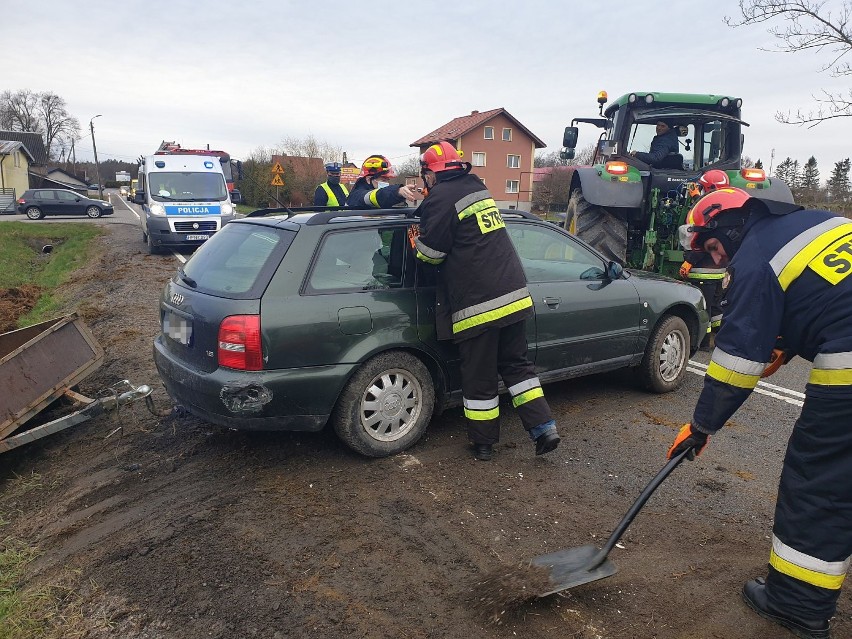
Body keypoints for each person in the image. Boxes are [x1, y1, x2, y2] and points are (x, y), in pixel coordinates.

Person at [667, 186, 852, 638]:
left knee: (820, 480)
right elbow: (829, 299)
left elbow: (734, 367)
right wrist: (786, 347)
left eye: (712, 250)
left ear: (724, 233)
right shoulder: (824, 224)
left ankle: (797, 604)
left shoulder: (754, 260)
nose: (717, 262)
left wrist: (701, 426)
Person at [412, 140, 560, 461]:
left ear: (430, 173)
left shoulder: (440, 198)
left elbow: (432, 256)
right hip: (514, 295)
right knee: (517, 367)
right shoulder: (477, 190)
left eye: (424, 175)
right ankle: (544, 428)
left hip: (478, 305)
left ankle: (483, 444)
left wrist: (416, 244)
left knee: (479, 377)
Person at [678, 169, 732, 343]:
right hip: (720, 272)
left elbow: (701, 240)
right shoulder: (728, 207)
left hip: (703, 271)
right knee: (716, 308)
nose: (699, 190)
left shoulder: (707, 211)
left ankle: (702, 342)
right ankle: (721, 339)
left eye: (702, 188)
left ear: (709, 188)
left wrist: (688, 262)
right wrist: (696, 199)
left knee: (704, 308)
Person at [346, 154, 417, 209]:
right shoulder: (357, 195)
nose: (386, 183)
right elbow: (378, 196)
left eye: (387, 180)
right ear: (368, 179)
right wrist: (397, 192)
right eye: (383, 180)